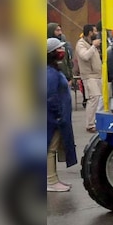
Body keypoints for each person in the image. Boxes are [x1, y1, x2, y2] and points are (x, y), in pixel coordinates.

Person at [46, 37, 77, 192]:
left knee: (53, 147)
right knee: (50, 148)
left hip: (57, 117)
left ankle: (54, 179)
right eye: (59, 48)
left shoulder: (52, 70)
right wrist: (58, 115)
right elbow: (50, 96)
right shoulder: (50, 73)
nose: (62, 51)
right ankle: (51, 181)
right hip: (54, 118)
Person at [75, 24, 103, 133]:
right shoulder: (81, 44)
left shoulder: (91, 44)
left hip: (97, 75)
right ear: (90, 32)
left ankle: (96, 122)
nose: (96, 34)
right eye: (94, 31)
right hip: (89, 76)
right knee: (94, 98)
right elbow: (85, 56)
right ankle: (90, 124)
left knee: (99, 99)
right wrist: (93, 47)